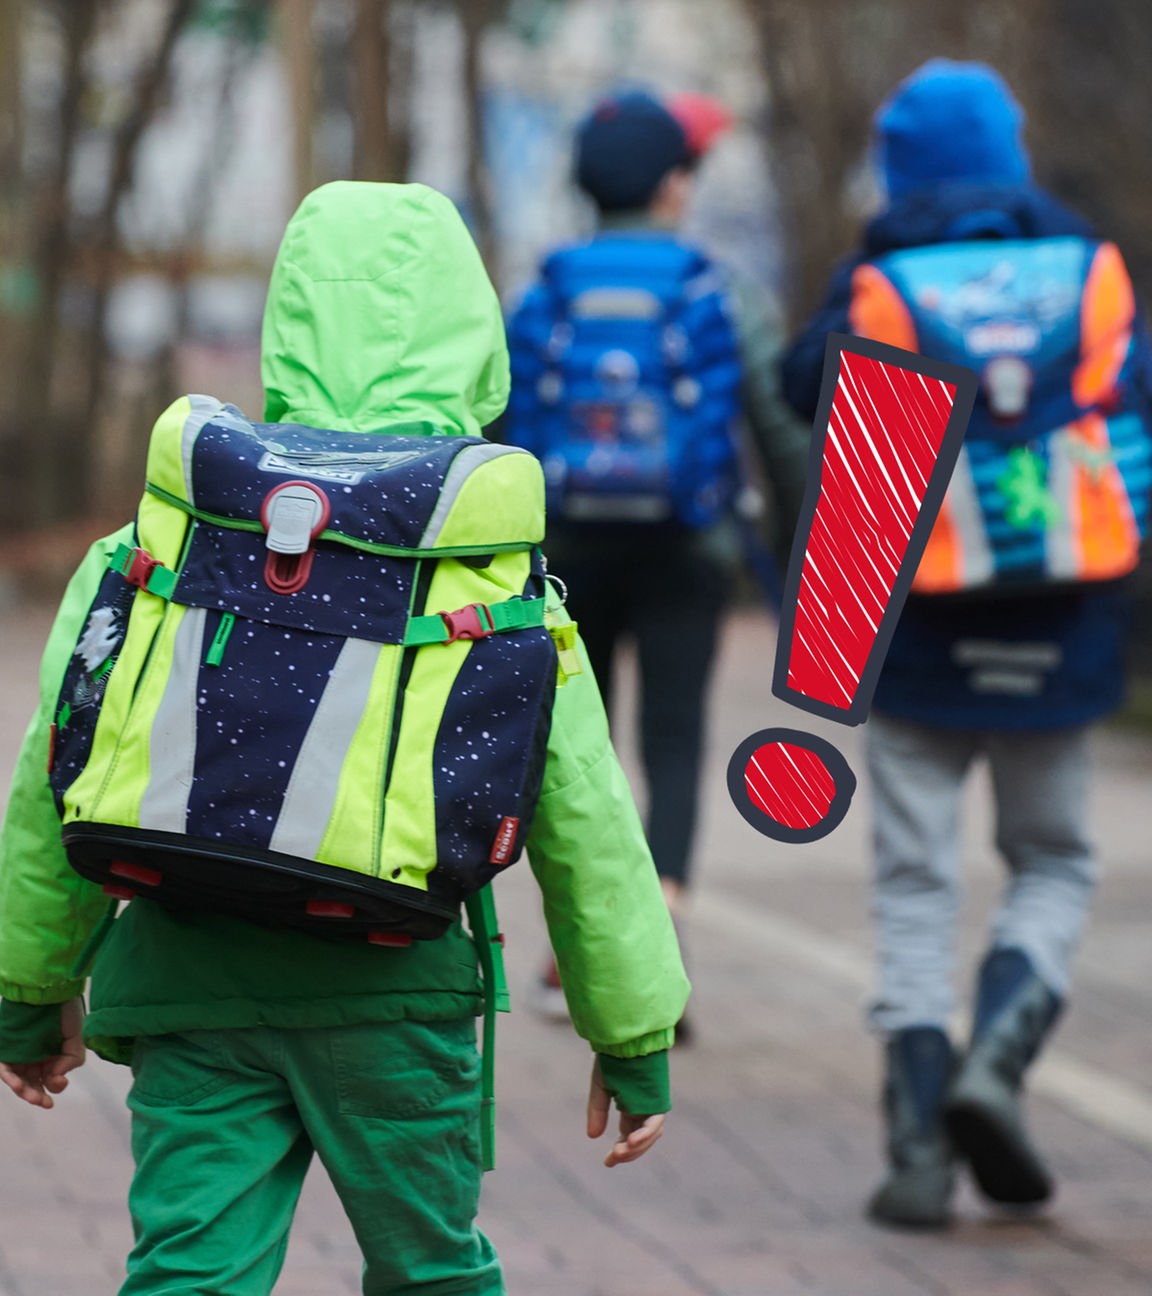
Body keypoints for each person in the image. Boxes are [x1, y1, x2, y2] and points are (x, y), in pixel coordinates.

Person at [0, 181, 689, 1295]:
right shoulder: (487, 562)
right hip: (398, 995)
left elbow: (60, 766)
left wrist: (29, 987)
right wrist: (634, 1031)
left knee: (188, 1273)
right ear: (475, 348)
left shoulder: (173, 534)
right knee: (431, 1274)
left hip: (189, 984)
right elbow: (585, 819)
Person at [780, 59, 1152, 1229]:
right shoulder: (1089, 270)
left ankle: (917, 1148)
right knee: (1052, 856)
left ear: (902, 169)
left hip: (921, 623)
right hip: (1065, 612)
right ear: (1013, 153)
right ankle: (1003, 1048)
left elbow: (805, 391)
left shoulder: (885, 283)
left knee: (915, 879)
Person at [501, 89, 810, 1029]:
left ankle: (580, 943)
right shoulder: (717, 289)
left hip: (568, 550)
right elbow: (779, 426)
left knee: (573, 750)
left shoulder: (544, 292)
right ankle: (660, 930)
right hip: (690, 546)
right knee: (671, 742)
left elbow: (496, 426)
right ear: (676, 183)